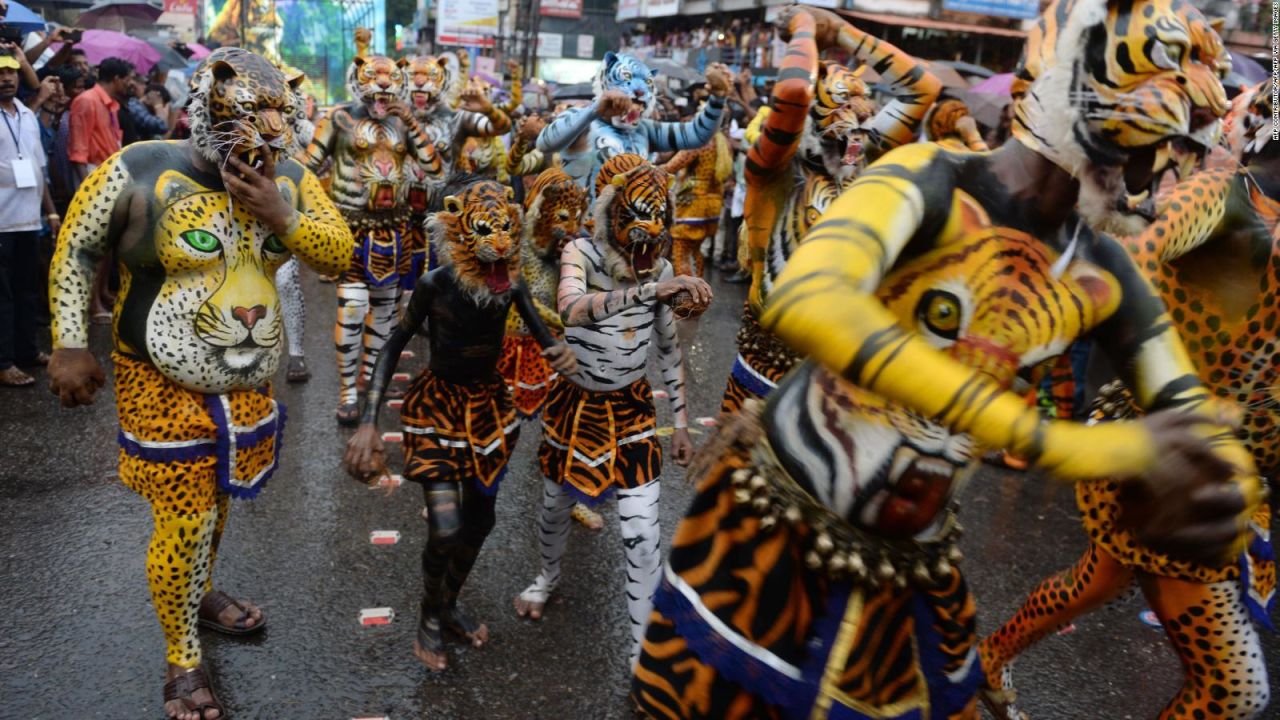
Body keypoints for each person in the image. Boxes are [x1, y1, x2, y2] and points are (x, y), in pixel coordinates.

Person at [631, 1, 1263, 717]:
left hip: (916, 570)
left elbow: (1183, 404)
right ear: (1068, 79)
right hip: (771, 541)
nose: (1167, 175)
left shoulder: (1102, 267)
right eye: (1153, 136)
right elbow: (809, 297)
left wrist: (1216, 481)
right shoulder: (927, 176)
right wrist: (1056, 442)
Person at [46, 47, 352, 720]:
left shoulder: (291, 180)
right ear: (210, 107)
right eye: (253, 119)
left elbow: (338, 254)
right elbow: (76, 249)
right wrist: (69, 343)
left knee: (218, 498)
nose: (269, 137)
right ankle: (182, 657)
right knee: (186, 514)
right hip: (160, 382)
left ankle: (201, 590)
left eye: (280, 121)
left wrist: (281, 214)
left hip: (247, 385)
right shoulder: (139, 167)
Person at [980, 79, 1277, 720]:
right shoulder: (1224, 192)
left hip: (1225, 464)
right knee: (1233, 692)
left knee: (1098, 580)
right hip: (1167, 458)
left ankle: (985, 662)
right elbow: (1136, 255)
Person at [343, 178, 575, 671]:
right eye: (487, 234)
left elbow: (540, 331)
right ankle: (429, 613)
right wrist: (368, 420)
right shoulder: (435, 285)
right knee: (445, 527)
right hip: (437, 410)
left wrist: (559, 351)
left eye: (505, 233)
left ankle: (448, 603)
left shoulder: (509, 284)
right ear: (461, 233)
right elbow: (392, 343)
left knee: (481, 520)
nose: (500, 247)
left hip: (490, 412)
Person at [513, 154, 712, 668]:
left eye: (658, 221)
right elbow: (574, 308)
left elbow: (668, 349)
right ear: (608, 217)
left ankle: (638, 652)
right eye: (634, 221)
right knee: (554, 507)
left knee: (643, 534)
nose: (648, 238)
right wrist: (649, 290)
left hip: (631, 411)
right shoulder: (578, 250)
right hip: (575, 405)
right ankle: (547, 577)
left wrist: (683, 424)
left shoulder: (662, 268)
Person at [717, 6, 940, 417]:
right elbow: (793, 94)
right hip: (763, 376)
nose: (860, 111)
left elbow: (924, 88)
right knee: (737, 480)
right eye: (843, 100)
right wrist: (805, 27)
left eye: (862, 99)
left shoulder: (860, 166)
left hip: (829, 382)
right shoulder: (777, 174)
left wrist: (843, 32)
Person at [300, 44, 441, 424]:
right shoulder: (338, 118)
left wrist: (411, 123)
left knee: (385, 313)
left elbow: (434, 167)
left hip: (394, 229)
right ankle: (348, 391)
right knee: (352, 309)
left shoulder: (403, 123)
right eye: (372, 77)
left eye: (392, 78)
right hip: (350, 230)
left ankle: (373, 379)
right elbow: (306, 167)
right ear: (357, 78)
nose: (382, 84)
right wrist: (310, 213)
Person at [534, 52, 730, 195]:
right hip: (580, 236)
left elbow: (696, 135)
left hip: (630, 239)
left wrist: (718, 100)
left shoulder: (644, 129)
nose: (639, 90)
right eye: (628, 78)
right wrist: (595, 110)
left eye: (646, 82)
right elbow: (544, 143)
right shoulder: (581, 118)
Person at [0, 53, 57, 387]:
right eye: (0, 72)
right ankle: (4, 361)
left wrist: (49, 211)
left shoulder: (25, 114)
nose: (7, 77)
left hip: (27, 220)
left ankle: (26, 351)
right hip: (2, 222)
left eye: (11, 71)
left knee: (26, 291)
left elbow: (39, 169)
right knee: (2, 296)